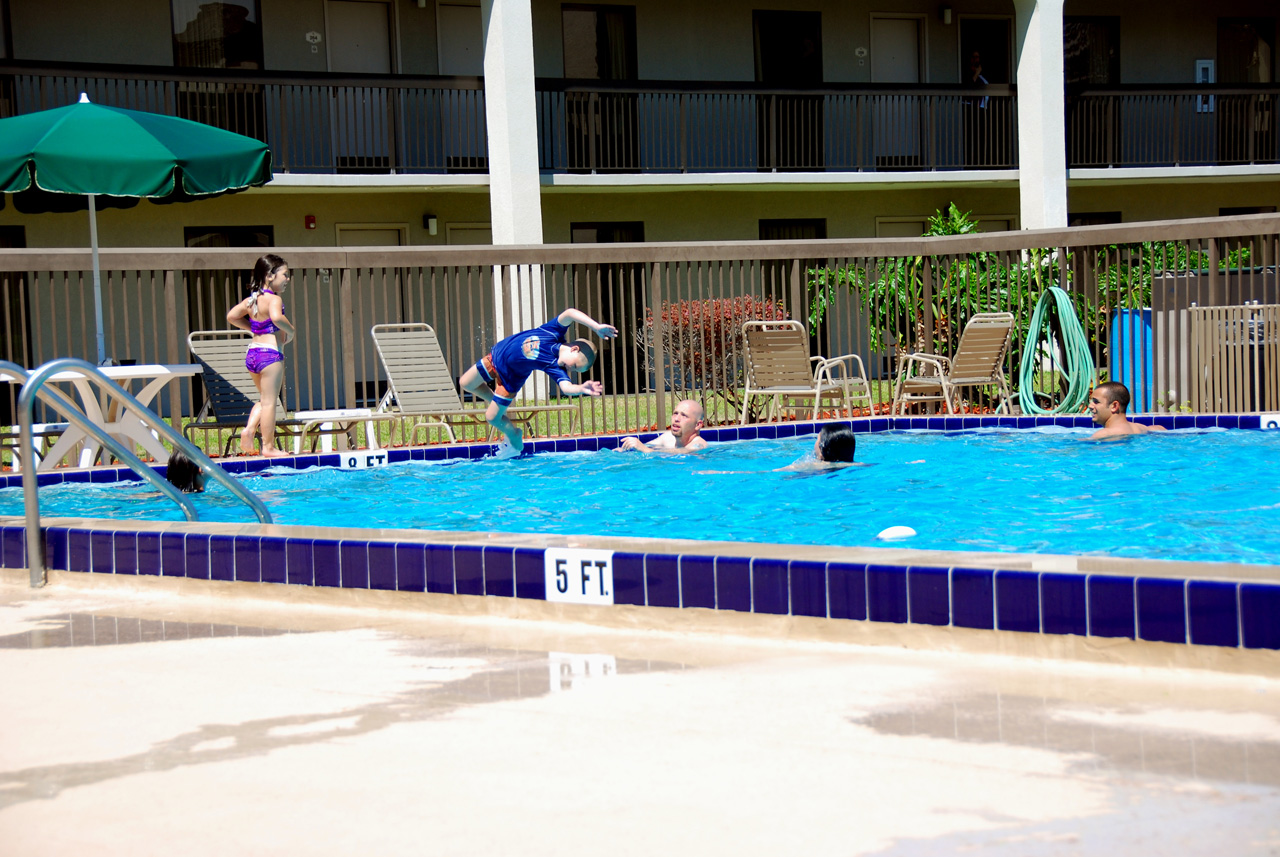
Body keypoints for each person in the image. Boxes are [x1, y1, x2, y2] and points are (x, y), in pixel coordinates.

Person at [459, 307, 618, 458]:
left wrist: (580, 388)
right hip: (496, 358)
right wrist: (596, 326)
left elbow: (566, 387)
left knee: (492, 417)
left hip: (510, 378)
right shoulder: (552, 332)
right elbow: (569, 313)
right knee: (466, 383)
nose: (571, 370)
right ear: (574, 349)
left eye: (575, 371)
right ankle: (496, 403)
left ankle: (513, 434)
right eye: (575, 366)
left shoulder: (555, 366)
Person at [226, 254, 296, 458]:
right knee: (269, 402)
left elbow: (231, 316)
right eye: (285, 274)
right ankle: (268, 447)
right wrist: (291, 331)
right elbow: (276, 317)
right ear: (269, 275)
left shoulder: (252, 300)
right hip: (270, 356)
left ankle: (249, 429)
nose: (287, 279)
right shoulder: (274, 299)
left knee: (264, 399)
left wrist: (254, 328)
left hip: (253, 354)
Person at [620, 399, 708, 453]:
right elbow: (644, 446)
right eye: (675, 413)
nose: (676, 419)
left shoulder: (699, 445)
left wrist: (645, 450)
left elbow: (682, 452)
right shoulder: (668, 437)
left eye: (684, 415)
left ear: (698, 425)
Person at [1088, 381, 1168, 440]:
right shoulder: (1141, 428)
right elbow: (1160, 428)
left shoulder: (1103, 434)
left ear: (1114, 406)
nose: (1090, 406)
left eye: (1096, 402)